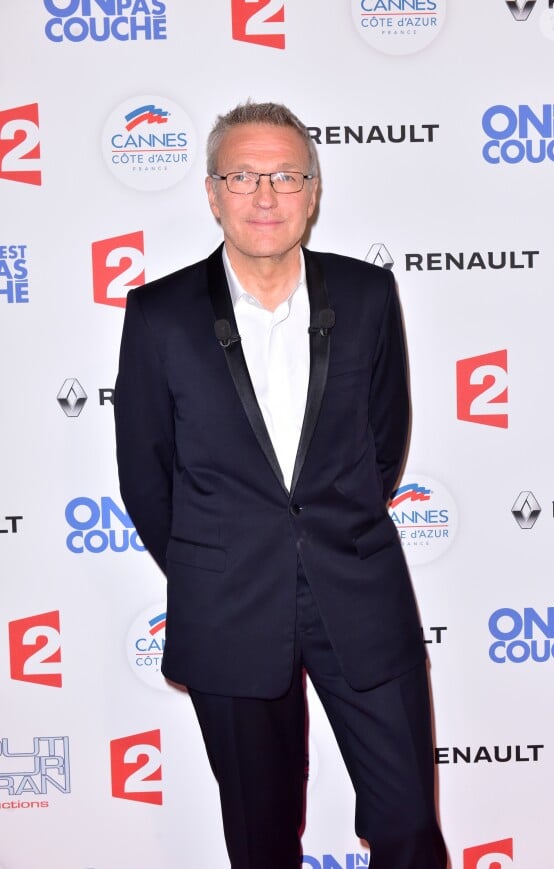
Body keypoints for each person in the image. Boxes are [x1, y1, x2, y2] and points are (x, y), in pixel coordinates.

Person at [114, 101, 447, 869]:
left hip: (360, 592)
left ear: (314, 190)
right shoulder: (158, 315)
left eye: (287, 175)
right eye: (243, 175)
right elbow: (145, 476)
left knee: (405, 821)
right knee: (261, 838)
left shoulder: (366, 298)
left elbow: (383, 443)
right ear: (211, 191)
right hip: (229, 608)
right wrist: (220, 559)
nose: (266, 196)